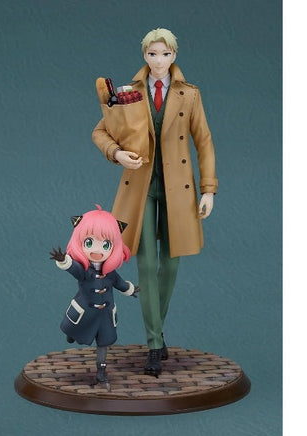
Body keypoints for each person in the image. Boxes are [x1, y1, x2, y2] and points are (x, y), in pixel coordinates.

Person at [92, 28, 218, 376]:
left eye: (165, 54)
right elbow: (100, 131)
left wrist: (208, 189)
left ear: (174, 55)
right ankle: (153, 343)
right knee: (146, 265)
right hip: (142, 187)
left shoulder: (189, 94)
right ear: (144, 55)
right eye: (152, 54)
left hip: (179, 188)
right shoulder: (128, 93)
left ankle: (156, 330)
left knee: (171, 264)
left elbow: (204, 141)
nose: (158, 61)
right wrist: (117, 153)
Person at [49, 205, 139, 385]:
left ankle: (101, 371)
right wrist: (64, 261)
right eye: (89, 243)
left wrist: (129, 289)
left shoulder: (110, 273)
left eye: (106, 245)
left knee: (103, 342)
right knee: (73, 328)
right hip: (85, 311)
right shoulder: (84, 270)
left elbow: (120, 283)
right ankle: (72, 334)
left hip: (105, 315)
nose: (97, 250)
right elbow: (74, 269)